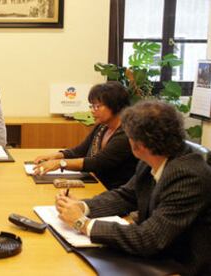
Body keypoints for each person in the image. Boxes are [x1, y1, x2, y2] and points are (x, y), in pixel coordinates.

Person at [55, 101, 211, 275]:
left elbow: (149, 238)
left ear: (139, 145)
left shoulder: (188, 175)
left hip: (181, 267)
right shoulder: (154, 157)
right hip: (159, 254)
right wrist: (82, 206)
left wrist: (83, 224)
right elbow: (126, 196)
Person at [34, 81, 138, 190]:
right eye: (91, 106)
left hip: (113, 191)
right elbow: (80, 151)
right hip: (95, 184)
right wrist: (56, 156)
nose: (92, 111)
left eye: (97, 106)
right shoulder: (102, 127)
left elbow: (98, 163)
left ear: (115, 106)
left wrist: (60, 163)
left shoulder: (125, 134)